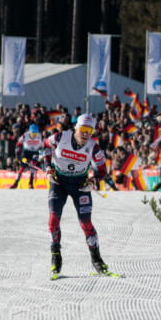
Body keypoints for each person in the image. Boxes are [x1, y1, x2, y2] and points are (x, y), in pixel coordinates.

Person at [42, 114, 110, 279]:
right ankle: (56, 257)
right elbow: (45, 145)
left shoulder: (94, 147)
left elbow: (103, 171)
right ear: (76, 128)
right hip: (59, 183)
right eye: (83, 129)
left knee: (86, 223)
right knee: (53, 219)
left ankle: (97, 259)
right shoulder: (60, 137)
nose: (86, 134)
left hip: (80, 185)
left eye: (90, 131)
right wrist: (48, 166)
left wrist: (93, 181)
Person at [10, 124, 43, 189]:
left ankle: (30, 183)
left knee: (33, 165)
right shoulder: (25, 135)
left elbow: (44, 146)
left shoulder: (40, 136)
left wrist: (42, 156)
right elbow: (18, 145)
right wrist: (17, 157)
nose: (34, 136)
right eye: (32, 134)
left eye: (35, 134)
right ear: (29, 132)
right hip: (26, 153)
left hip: (35, 152)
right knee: (22, 167)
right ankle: (16, 183)